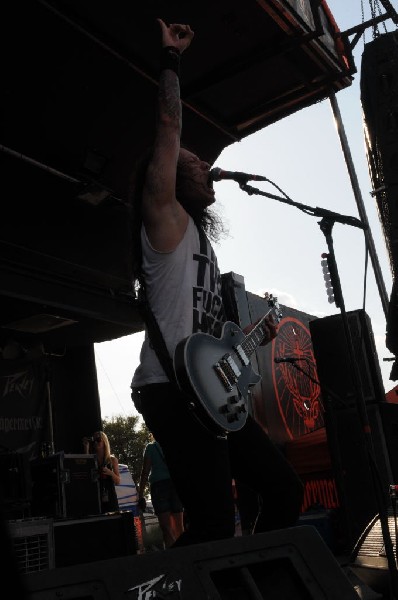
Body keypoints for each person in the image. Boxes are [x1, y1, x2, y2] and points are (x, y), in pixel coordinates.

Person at [129, 18, 304, 547]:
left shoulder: (204, 245)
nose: (205, 165)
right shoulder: (164, 219)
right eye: (193, 161)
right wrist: (171, 59)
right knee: (207, 524)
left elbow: (215, 339)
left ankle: (246, 580)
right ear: (167, 176)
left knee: (283, 490)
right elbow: (168, 131)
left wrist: (253, 342)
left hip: (211, 393)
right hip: (169, 390)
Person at [138, 433, 184, 548]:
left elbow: (145, 471)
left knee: (166, 528)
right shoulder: (173, 444)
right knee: (179, 527)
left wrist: (141, 494)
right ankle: (184, 552)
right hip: (175, 485)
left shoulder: (151, 447)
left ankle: (172, 555)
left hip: (159, 487)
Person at [83, 430, 120, 513]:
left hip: (110, 499)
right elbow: (86, 468)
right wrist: (86, 448)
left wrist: (110, 473)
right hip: (96, 499)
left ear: (104, 442)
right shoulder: (92, 460)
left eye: (98, 440)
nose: (96, 442)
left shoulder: (112, 460)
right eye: (94, 440)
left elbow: (118, 481)